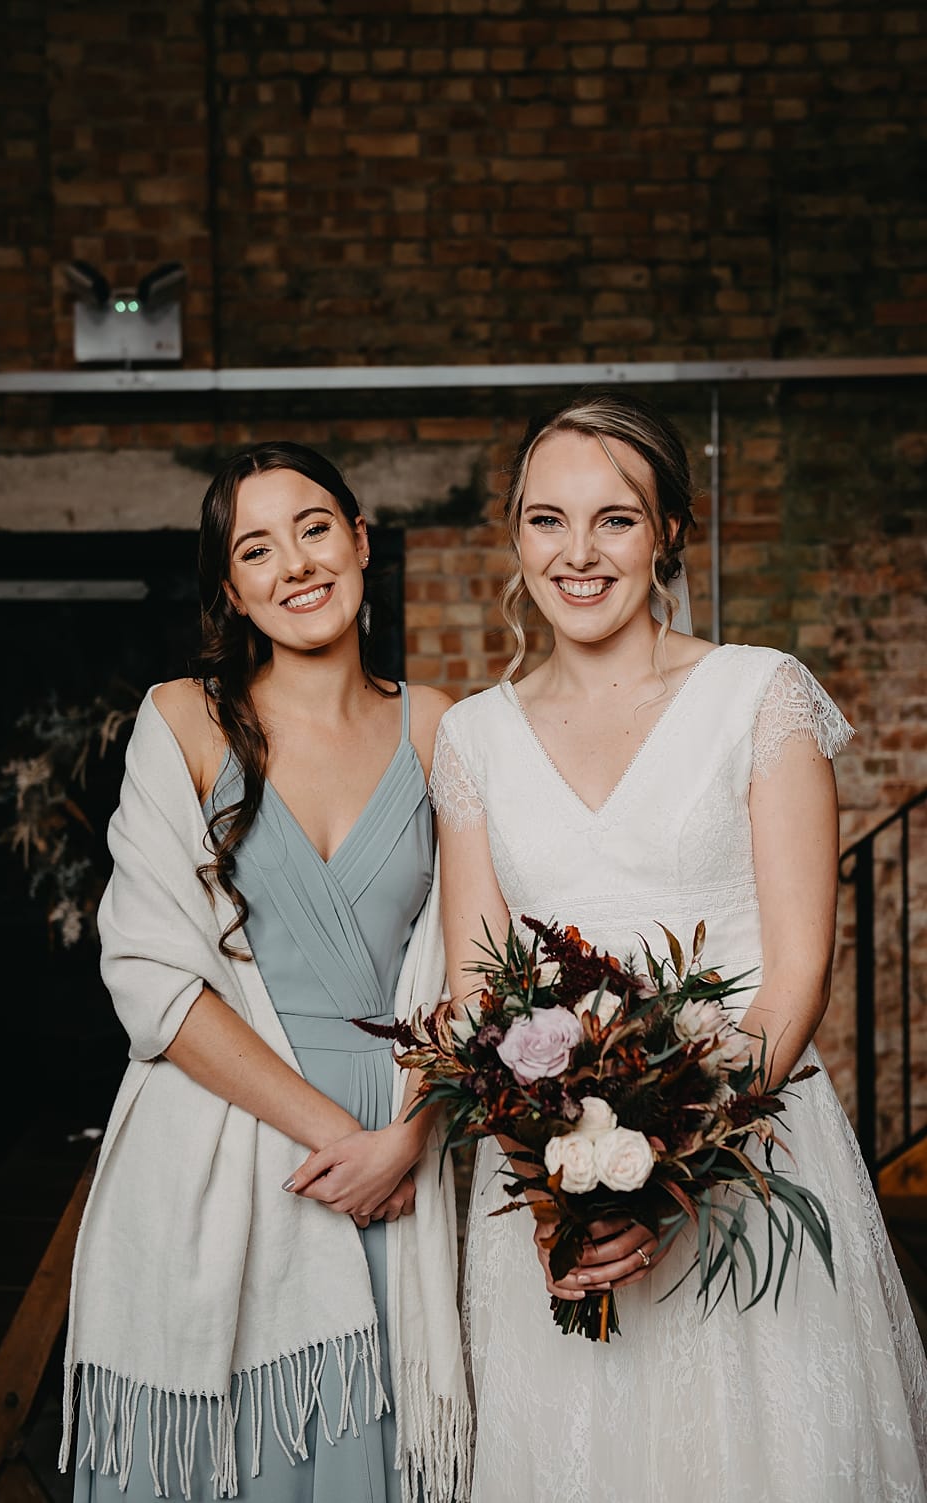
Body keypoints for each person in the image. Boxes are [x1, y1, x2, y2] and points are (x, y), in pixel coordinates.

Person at [431, 393, 927, 1502]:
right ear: (515, 535)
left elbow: (798, 975)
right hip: (553, 1187)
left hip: (746, 1161)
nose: (577, 553)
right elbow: (476, 998)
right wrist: (557, 1190)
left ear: (668, 532)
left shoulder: (758, 694)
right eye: (548, 519)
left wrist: (668, 1170)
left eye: (614, 519)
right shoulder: (472, 738)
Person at [61, 443, 471, 1502]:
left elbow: (473, 965)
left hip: (405, 1132)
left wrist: (409, 1136)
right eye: (256, 548)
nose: (294, 563)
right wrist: (347, 1142)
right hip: (256, 1134)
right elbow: (152, 977)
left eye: (314, 528)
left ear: (360, 541)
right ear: (232, 591)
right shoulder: (183, 719)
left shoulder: (439, 727)